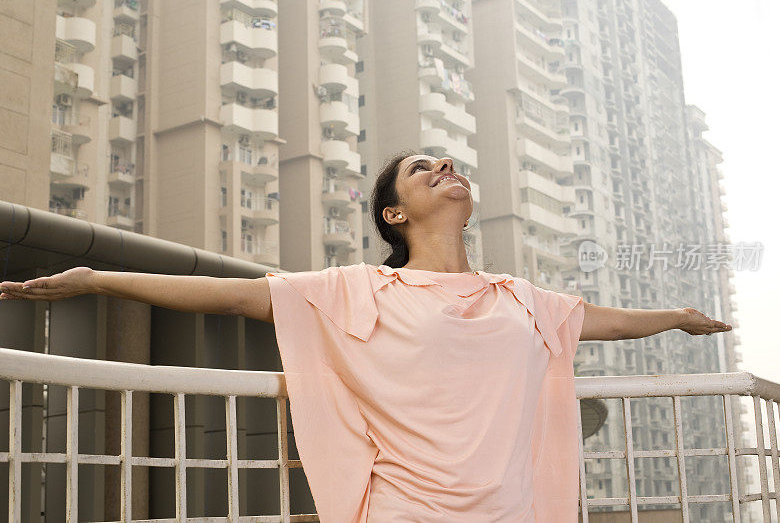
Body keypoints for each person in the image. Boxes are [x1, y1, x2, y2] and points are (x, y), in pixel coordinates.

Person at [0, 151, 731, 522]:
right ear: (393, 214)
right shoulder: (356, 289)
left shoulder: (524, 301)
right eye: (423, 167)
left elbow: (610, 322)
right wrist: (99, 278)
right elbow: (226, 295)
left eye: (450, 163)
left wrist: (677, 315)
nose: (446, 167)